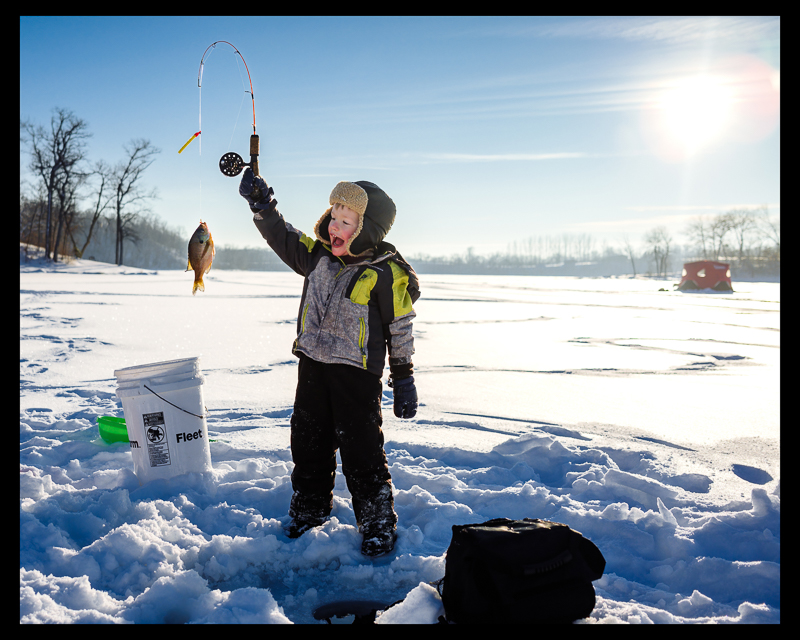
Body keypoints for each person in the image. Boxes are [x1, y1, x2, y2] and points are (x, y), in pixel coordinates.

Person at [239, 169, 420, 557]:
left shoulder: (386, 273)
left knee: (362, 449)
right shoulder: (317, 256)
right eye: (333, 216)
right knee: (307, 440)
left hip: (356, 376)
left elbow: (400, 326)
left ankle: (376, 521)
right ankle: (310, 506)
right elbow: (283, 236)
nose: (334, 226)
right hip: (313, 366)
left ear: (366, 229)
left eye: (346, 221)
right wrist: (263, 206)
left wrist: (403, 376)